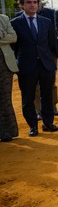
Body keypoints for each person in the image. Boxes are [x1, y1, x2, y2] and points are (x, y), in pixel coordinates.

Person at [11, 0, 58, 135]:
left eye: (35, 2)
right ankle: (33, 126)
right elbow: (14, 47)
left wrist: (52, 61)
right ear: (22, 5)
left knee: (47, 96)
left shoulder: (47, 22)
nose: (32, 5)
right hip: (26, 66)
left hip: (46, 65)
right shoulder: (15, 23)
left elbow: (53, 43)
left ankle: (48, 123)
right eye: (28, 2)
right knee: (28, 97)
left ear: (38, 4)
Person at [0, 13, 19, 141]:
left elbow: (13, 37)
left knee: (5, 99)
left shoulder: (4, 18)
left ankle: (8, 131)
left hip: (5, 65)